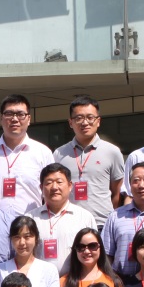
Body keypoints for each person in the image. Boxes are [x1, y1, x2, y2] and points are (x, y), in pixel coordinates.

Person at [0, 94, 54, 216]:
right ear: (1, 118)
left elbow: (51, 191)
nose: (15, 119)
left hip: (31, 222)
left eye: (21, 114)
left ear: (29, 119)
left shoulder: (43, 152)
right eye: (9, 114)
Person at [53, 96, 125, 228]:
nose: (85, 122)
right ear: (70, 122)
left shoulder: (112, 152)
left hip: (102, 223)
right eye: (79, 118)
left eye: (90, 117)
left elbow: (117, 192)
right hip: (69, 223)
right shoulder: (59, 154)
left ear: (98, 121)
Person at [27, 163, 97, 273]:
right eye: (49, 183)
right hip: (40, 280)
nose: (54, 187)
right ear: (41, 188)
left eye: (59, 182)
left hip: (74, 280)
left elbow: (94, 253)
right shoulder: (30, 219)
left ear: (70, 186)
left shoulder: (84, 217)